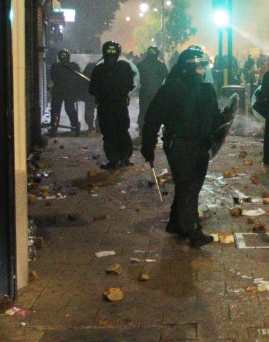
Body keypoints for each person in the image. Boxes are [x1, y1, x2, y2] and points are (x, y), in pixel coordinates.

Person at [141, 46, 220, 248]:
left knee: (192, 185)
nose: (203, 71)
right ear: (186, 68)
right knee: (188, 186)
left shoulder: (207, 89)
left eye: (204, 66)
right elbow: (152, 118)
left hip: (201, 144)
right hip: (179, 144)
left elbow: (215, 117)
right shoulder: (171, 89)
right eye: (199, 67)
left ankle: (176, 223)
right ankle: (192, 229)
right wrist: (147, 145)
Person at [88, 41, 136, 169]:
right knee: (122, 131)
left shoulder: (99, 69)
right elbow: (131, 85)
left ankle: (114, 160)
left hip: (106, 106)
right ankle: (124, 158)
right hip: (120, 105)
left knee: (109, 133)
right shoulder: (125, 67)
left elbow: (91, 89)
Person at [48, 49, 82, 136]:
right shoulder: (73, 66)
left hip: (60, 90)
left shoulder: (55, 66)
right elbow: (77, 78)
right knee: (68, 108)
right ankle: (74, 124)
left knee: (58, 108)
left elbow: (53, 77)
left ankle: (55, 125)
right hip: (67, 90)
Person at [136, 46, 169, 134]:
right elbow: (167, 78)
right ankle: (152, 130)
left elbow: (136, 78)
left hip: (144, 91)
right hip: (156, 92)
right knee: (154, 111)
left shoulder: (141, 64)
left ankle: (142, 129)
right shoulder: (161, 65)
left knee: (143, 110)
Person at [81, 58, 98, 132]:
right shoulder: (104, 67)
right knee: (101, 110)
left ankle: (90, 126)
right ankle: (98, 127)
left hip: (89, 93)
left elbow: (83, 79)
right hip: (100, 93)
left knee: (89, 109)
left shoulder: (90, 66)